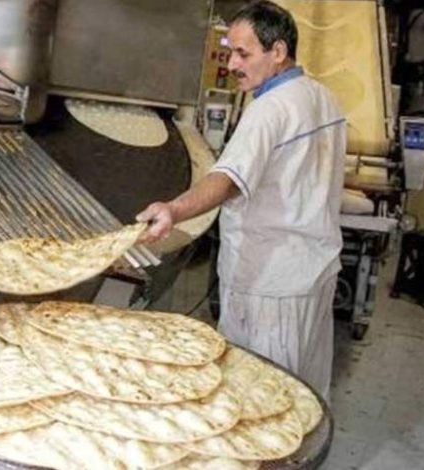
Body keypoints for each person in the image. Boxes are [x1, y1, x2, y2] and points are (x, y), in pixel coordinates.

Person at [137, 0, 345, 400]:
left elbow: (228, 180)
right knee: (304, 393)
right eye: (230, 51)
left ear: (278, 51)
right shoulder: (324, 98)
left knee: (260, 397)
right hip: (314, 272)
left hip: (269, 283)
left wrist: (174, 209)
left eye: (243, 53)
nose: (232, 64)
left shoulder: (270, 110)